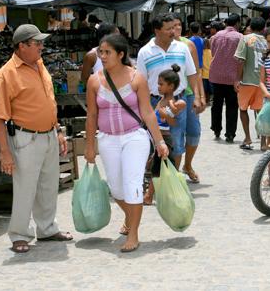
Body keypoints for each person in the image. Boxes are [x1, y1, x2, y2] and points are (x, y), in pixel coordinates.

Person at [0, 24, 73, 253]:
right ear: (21, 46)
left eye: (41, 43)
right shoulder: (5, 75)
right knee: (25, 188)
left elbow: (48, 100)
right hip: (25, 138)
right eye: (37, 43)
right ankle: (19, 234)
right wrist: (4, 151)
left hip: (48, 135)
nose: (41, 47)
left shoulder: (39, 64)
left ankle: (46, 229)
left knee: (48, 185)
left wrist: (57, 130)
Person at [85, 33, 169, 252]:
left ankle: (133, 234)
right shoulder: (94, 81)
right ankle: (130, 216)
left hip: (134, 137)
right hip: (107, 139)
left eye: (107, 52)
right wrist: (89, 145)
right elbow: (91, 116)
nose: (102, 56)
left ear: (120, 54)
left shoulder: (136, 78)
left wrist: (159, 142)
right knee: (116, 188)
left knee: (133, 184)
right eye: (100, 52)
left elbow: (148, 113)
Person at [136, 14, 202, 184]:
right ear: (157, 31)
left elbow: (192, 73)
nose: (173, 31)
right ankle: (156, 180)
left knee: (177, 140)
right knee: (157, 142)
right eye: (169, 29)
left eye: (174, 27)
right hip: (154, 103)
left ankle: (173, 178)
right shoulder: (145, 52)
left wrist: (196, 97)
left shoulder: (182, 48)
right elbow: (140, 82)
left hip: (178, 101)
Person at [143, 65, 187, 205]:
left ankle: (149, 196)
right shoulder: (161, 101)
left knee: (160, 168)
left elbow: (173, 122)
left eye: (161, 84)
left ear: (171, 86)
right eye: (158, 84)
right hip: (156, 138)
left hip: (164, 139)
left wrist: (165, 115)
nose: (158, 87)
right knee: (159, 167)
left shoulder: (172, 102)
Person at [172, 14, 206, 183]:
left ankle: (188, 165)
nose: (176, 28)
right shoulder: (161, 46)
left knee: (194, 132)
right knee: (175, 135)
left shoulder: (189, 45)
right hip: (172, 96)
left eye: (179, 24)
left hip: (189, 93)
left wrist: (200, 96)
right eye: (173, 25)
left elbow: (196, 72)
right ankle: (174, 172)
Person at [234, 17, 268, 150]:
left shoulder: (246, 39)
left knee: (243, 110)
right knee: (261, 112)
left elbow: (241, 60)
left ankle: (248, 138)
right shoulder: (267, 42)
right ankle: (263, 142)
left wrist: (237, 78)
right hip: (262, 82)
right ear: (263, 28)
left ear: (251, 27)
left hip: (247, 81)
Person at [209, 13, 243, 143]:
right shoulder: (240, 37)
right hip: (232, 77)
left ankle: (216, 128)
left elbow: (213, 53)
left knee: (216, 104)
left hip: (216, 75)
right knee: (232, 106)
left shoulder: (216, 36)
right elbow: (241, 58)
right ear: (237, 23)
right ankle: (230, 133)